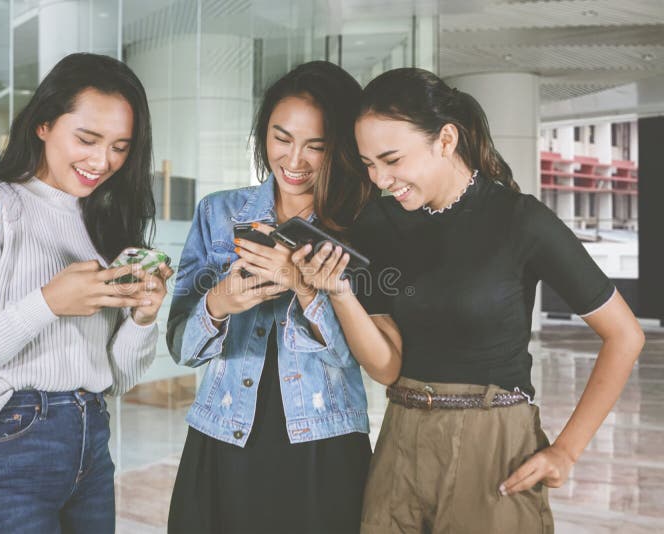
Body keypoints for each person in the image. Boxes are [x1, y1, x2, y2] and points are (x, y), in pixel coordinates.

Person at [292, 67, 645, 533]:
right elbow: (386, 366)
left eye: (392, 159)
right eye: (369, 163)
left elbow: (625, 335)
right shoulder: (378, 223)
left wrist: (567, 450)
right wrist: (338, 292)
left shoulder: (521, 221)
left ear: (445, 139)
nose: (379, 178)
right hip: (400, 441)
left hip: (494, 448)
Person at [0, 53, 172, 533]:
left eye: (121, 146)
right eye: (87, 139)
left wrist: (143, 320)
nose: (102, 161)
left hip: (90, 440)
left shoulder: (102, 223)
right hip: (6, 446)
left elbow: (115, 379)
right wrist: (47, 304)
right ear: (42, 124)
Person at [166, 61, 375, 534]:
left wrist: (302, 286)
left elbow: (357, 355)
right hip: (223, 433)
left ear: (338, 147)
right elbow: (180, 346)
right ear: (264, 134)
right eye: (282, 139)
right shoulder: (218, 214)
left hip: (324, 442)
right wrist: (220, 302)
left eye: (315, 146)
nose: (295, 160)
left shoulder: (361, 225)